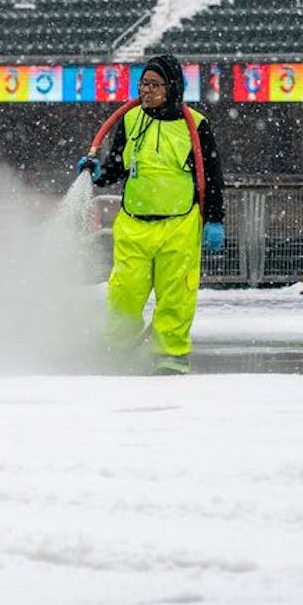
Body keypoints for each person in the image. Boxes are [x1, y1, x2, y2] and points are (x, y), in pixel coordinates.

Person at [77, 53, 226, 374]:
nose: (146, 91)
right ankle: (117, 350)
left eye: (154, 85)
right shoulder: (131, 121)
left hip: (180, 226)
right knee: (124, 293)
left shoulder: (196, 126)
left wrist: (214, 218)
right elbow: (117, 166)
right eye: (143, 84)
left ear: (171, 88)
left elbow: (212, 177)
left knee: (176, 296)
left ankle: (171, 357)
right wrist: (97, 172)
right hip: (134, 225)